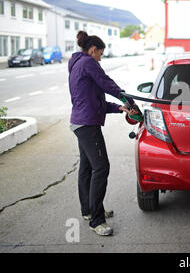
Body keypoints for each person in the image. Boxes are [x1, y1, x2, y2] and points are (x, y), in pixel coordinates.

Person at [68, 31, 138, 236]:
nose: (100, 58)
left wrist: (119, 108)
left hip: (80, 122)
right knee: (101, 168)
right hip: (87, 125)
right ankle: (96, 221)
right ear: (92, 50)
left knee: (87, 168)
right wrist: (127, 99)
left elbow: (94, 101)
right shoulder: (88, 63)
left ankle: (89, 211)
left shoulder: (77, 65)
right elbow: (106, 82)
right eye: (100, 54)